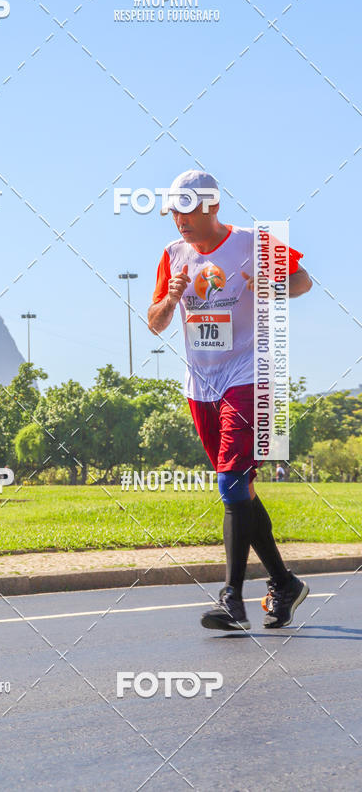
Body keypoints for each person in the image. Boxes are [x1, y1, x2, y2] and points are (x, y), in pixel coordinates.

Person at [148, 169, 313, 631]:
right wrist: (170, 298)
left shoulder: (252, 243)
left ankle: (232, 599)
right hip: (201, 383)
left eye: (186, 210)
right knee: (237, 488)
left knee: (229, 484)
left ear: (212, 206)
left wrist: (270, 285)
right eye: (173, 211)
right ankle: (284, 583)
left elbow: (302, 283)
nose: (178, 220)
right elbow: (154, 321)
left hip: (249, 373)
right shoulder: (172, 255)